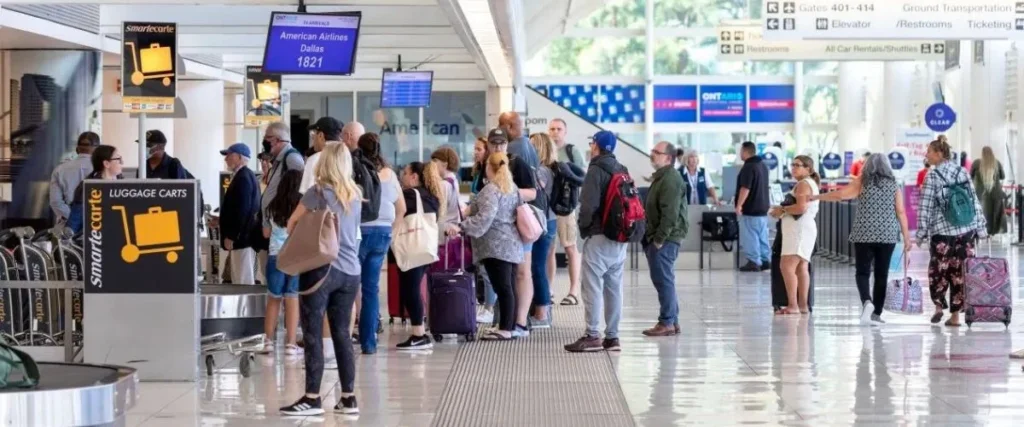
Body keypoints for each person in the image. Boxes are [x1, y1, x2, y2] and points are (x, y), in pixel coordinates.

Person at [279, 143, 362, 416]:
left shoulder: (317, 193)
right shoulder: (355, 194)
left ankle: (312, 398)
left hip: (321, 269)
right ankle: (348, 398)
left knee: (313, 333)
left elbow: (291, 223)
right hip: (351, 271)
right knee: (342, 335)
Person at [812, 153, 911, 324]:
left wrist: (816, 197)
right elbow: (901, 212)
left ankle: (867, 301)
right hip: (887, 235)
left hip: (864, 233)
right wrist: (907, 238)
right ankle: (877, 314)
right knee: (881, 275)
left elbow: (841, 195)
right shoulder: (894, 185)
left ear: (867, 165)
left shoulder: (862, 181)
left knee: (863, 272)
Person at [564, 130, 628, 353]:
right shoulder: (622, 168)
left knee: (591, 286)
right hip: (620, 238)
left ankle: (592, 335)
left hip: (600, 236)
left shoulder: (596, 169)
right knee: (614, 288)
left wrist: (583, 229)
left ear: (596, 146)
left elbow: (588, 205)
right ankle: (612, 337)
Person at [917, 138, 987, 327]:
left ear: (939, 153)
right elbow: (973, 201)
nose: (927, 155)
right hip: (965, 231)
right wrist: (981, 229)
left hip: (942, 233)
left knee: (938, 271)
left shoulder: (932, 176)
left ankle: (939, 307)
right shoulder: (962, 171)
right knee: (960, 273)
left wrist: (921, 233)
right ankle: (955, 317)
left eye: (929, 151)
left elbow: (926, 206)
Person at [456, 152, 524, 340]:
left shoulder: (491, 190)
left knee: (503, 288)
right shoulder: (512, 187)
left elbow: (484, 219)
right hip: (512, 243)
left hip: (496, 246)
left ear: (489, 167)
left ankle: (505, 329)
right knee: (509, 287)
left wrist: (461, 227)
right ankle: (509, 326)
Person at [482, 128, 536, 337]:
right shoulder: (485, 165)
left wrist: (504, 192)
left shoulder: (516, 163)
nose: (498, 147)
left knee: (521, 273)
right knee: (504, 278)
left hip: (517, 226)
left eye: (501, 143)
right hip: (496, 230)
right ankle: (506, 322)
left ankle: (519, 322)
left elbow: (532, 192)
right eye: (494, 143)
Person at [356, 132, 403, 354]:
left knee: (349, 286)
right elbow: (401, 208)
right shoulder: (390, 175)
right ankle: (369, 343)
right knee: (371, 289)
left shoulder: (356, 172)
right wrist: (391, 232)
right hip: (383, 233)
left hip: (359, 233)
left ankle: (344, 337)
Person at [394, 161, 446, 350]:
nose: (403, 176)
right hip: (425, 248)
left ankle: (419, 334)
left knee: (410, 291)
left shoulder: (409, 195)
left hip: (412, 248)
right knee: (413, 288)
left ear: (414, 176)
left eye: (405, 172)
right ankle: (419, 332)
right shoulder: (431, 196)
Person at [642, 141, 687, 336]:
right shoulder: (662, 177)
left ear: (668, 158)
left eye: (656, 152)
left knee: (663, 280)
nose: (652, 154)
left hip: (665, 239)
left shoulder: (670, 179)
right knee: (664, 279)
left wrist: (659, 240)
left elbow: (670, 214)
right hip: (661, 237)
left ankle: (667, 321)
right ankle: (672, 321)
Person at [769, 155, 820, 315]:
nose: (793, 168)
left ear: (808, 169)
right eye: (792, 165)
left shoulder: (804, 184)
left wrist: (781, 211)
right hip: (802, 229)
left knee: (787, 266)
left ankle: (793, 305)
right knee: (801, 267)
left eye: (798, 165)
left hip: (799, 230)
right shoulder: (806, 183)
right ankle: (802, 305)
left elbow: (801, 208)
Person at [262, 169, 303, 355]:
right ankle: (291, 343)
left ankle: (268, 341)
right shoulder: (303, 207)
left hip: (275, 257)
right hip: (296, 257)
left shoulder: (271, 206)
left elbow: (266, 233)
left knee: (273, 299)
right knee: (292, 298)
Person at [548, 118, 585, 307]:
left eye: (559, 129)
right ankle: (549, 289)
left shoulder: (571, 151)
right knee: (549, 248)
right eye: (552, 129)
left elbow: (582, 176)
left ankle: (573, 291)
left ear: (565, 131)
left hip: (566, 206)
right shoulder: (546, 150)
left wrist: (566, 172)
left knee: (570, 247)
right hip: (548, 206)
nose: (555, 132)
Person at [219, 143, 261, 285]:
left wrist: (232, 235)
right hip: (242, 238)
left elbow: (243, 210)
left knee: (242, 280)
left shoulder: (243, 178)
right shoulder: (244, 176)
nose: (226, 159)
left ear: (239, 157)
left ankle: (246, 308)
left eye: (229, 155)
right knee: (239, 278)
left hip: (242, 239)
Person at [528, 133, 558, 327]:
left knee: (537, 266)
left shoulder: (541, 171)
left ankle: (542, 313)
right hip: (549, 220)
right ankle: (541, 310)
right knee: (538, 266)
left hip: (542, 221)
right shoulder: (551, 170)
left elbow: (534, 195)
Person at [66, 145, 122, 233]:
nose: (122, 162)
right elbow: (77, 215)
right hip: (95, 238)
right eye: (118, 159)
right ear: (106, 164)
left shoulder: (123, 184)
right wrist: (69, 232)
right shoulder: (90, 187)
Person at [734, 141, 772, 272]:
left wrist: (739, 205)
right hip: (762, 208)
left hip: (751, 208)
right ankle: (765, 260)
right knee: (762, 235)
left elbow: (745, 188)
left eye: (741, 151)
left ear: (745, 151)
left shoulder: (748, 167)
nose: (740, 154)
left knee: (750, 235)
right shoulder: (762, 166)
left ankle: (754, 261)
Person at [52, 132, 100, 227]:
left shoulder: (59, 169)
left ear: (77, 148)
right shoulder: (103, 169)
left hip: (68, 224)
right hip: (97, 222)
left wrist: (74, 217)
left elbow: (55, 202)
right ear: (97, 149)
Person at [971, 146, 1007, 236]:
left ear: (982, 153)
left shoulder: (976, 163)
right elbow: (1003, 176)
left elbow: (970, 176)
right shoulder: (997, 163)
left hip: (980, 194)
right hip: (996, 194)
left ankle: (981, 233)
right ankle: (993, 232)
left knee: (981, 214)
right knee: (995, 214)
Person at [301, 117, 343, 193]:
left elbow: (307, 194)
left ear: (320, 135)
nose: (313, 139)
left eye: (314, 134)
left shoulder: (315, 159)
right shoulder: (346, 158)